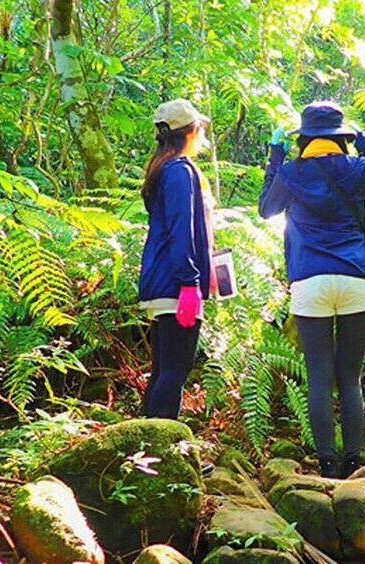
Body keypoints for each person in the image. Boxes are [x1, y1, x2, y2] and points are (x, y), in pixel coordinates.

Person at [259, 101, 365, 478]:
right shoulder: (356, 167)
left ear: (303, 139)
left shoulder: (291, 173)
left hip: (311, 280)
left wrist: (275, 156)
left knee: (319, 377)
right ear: (342, 138)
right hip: (357, 278)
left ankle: (327, 466)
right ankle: (354, 461)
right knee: (350, 377)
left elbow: (266, 209)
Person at [138, 98, 216, 422]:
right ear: (191, 131)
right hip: (175, 283)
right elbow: (181, 230)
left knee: (164, 368)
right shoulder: (180, 172)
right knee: (175, 369)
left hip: (163, 279)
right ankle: (163, 442)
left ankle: (148, 439)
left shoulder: (162, 168)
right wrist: (189, 282)